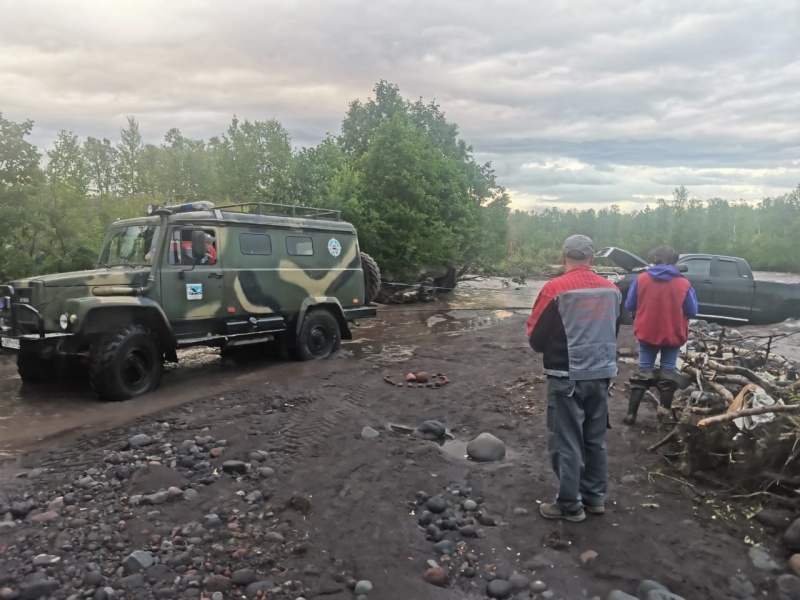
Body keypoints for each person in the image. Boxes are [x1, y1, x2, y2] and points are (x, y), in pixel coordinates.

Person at [527, 234, 621, 522]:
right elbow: (614, 330)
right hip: (603, 375)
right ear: (592, 259)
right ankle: (595, 499)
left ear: (563, 256)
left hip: (566, 377)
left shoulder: (554, 289)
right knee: (595, 440)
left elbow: (535, 338)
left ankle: (570, 504)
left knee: (566, 441)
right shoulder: (613, 290)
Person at [622, 245, 697, 425]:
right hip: (673, 333)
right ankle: (663, 414)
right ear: (673, 261)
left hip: (647, 332)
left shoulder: (641, 279)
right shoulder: (684, 283)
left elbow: (630, 305)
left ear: (653, 259)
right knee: (668, 372)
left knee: (644, 369)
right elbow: (692, 311)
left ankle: (631, 415)